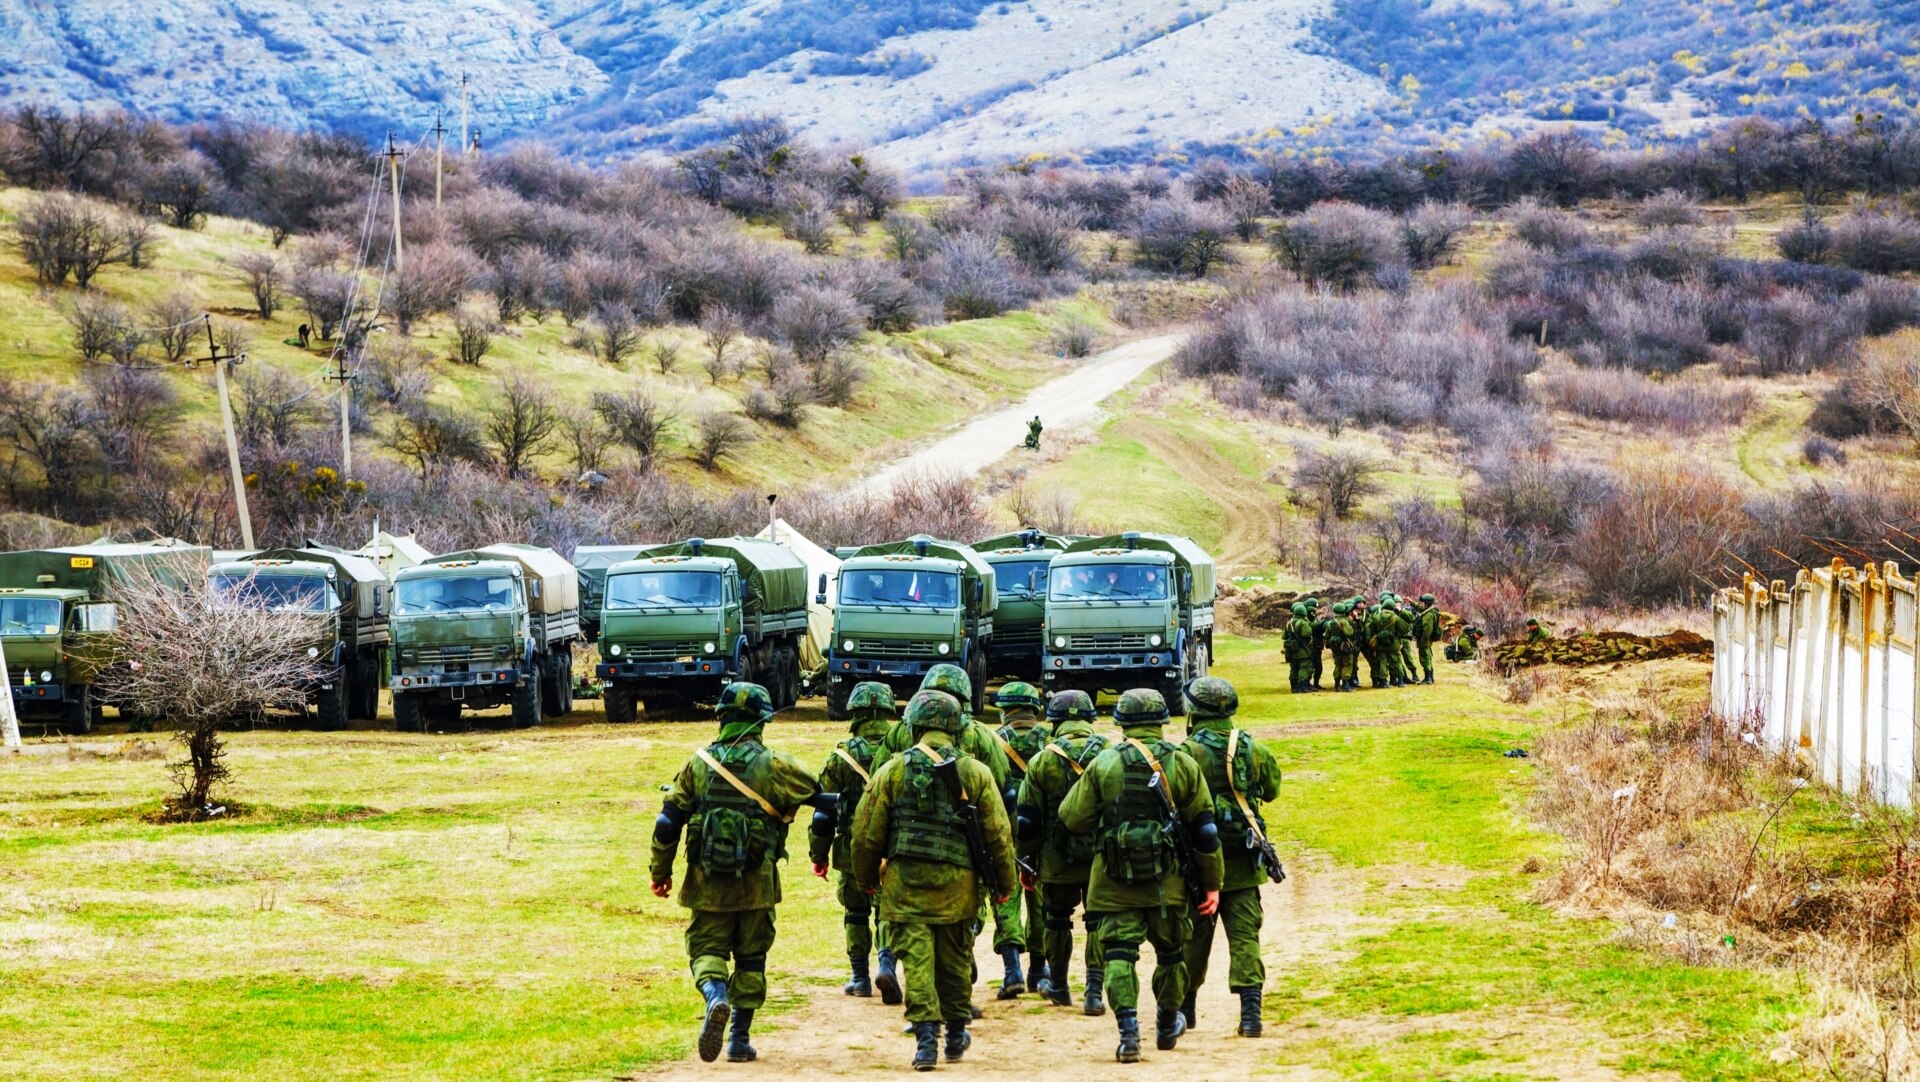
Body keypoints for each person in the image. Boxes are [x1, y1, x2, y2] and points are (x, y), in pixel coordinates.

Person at [650, 683, 823, 1063]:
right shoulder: (775, 765)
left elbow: (667, 823)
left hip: (706, 885)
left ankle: (715, 996)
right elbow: (818, 791)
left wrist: (660, 872)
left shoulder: (697, 764)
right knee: (751, 959)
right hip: (756, 887)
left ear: (721, 717)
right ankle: (739, 1040)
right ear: (762, 721)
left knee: (706, 950)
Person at [852, 689, 1019, 1072]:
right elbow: (998, 834)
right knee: (955, 961)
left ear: (914, 726)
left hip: (906, 887)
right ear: (956, 728)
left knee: (917, 962)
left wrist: (867, 880)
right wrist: (1005, 885)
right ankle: (956, 1032)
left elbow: (865, 835)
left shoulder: (892, 771)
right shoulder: (976, 772)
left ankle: (926, 1041)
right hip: (958, 887)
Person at [1059, 688, 1224, 1063]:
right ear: (1163, 720)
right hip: (1168, 884)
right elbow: (1205, 831)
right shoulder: (1183, 764)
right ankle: (1166, 1023)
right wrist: (1212, 884)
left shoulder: (1104, 763)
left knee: (1119, 954)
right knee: (1171, 954)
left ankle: (1129, 1034)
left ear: (1121, 722)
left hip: (1113, 882)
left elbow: (1072, 818)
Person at [870, 664, 1010, 1009]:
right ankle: (955, 987)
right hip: (962, 850)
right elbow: (1000, 786)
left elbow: (875, 782)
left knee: (906, 919)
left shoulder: (901, 733)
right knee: (960, 921)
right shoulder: (980, 735)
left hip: (905, 847)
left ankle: (890, 962)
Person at [1178, 677, 1283, 1037]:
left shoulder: (1185, 753)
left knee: (1192, 939)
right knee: (1245, 938)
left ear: (1193, 711)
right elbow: (1272, 790)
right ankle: (1251, 1014)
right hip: (1243, 862)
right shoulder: (1252, 748)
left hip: (1198, 865)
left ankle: (1185, 1011)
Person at [1014, 689, 1111, 1014]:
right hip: (1101, 858)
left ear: (1053, 722)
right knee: (1097, 920)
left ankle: (1058, 984)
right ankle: (1094, 992)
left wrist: (1027, 862)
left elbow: (1028, 821)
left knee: (1056, 919)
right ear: (1090, 718)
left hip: (1056, 858)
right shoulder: (1109, 754)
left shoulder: (1042, 760)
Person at [809, 680, 897, 998]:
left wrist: (818, 856)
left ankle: (860, 977)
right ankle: (887, 965)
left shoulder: (842, 757)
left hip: (852, 849)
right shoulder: (902, 750)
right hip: (893, 851)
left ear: (854, 713)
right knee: (888, 911)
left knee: (856, 913)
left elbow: (823, 813)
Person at [989, 681, 1052, 999]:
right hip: (1040, 831)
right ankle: (1039, 969)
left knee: (1006, 897)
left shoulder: (992, 741)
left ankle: (1011, 968)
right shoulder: (1049, 742)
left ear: (1004, 711)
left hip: (1003, 832)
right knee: (1039, 898)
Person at [1327, 600, 1360, 692]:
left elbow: (1327, 635)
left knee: (1338, 665)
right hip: (1345, 646)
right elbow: (1350, 632)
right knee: (1347, 664)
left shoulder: (1331, 622)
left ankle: (1337, 685)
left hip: (1335, 647)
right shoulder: (1344, 621)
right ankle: (1345, 685)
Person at [1282, 603, 1315, 694]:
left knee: (1294, 668)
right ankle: (1302, 686)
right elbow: (1306, 634)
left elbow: (1284, 636)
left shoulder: (1289, 623)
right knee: (1304, 667)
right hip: (1302, 649)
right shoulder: (1303, 622)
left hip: (1292, 650)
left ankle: (1294, 687)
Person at [1411, 594, 1441, 685]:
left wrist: (1423, 641)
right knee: (1427, 657)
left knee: (1424, 658)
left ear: (1426, 603)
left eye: (1423, 602)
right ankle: (1430, 677)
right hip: (1426, 640)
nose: (1422, 604)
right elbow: (1420, 608)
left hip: (1425, 640)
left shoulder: (1428, 615)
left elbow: (1427, 630)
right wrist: (1411, 602)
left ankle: (1428, 678)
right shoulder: (1430, 610)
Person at [1307, 597, 1328, 690]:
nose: (1315, 609)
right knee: (1310, 667)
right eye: (1314, 607)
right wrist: (1323, 623)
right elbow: (1312, 627)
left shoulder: (1314, 617)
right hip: (1311, 646)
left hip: (1317, 645)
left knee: (1319, 667)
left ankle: (1316, 683)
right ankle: (1307, 683)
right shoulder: (1306, 618)